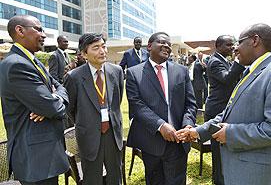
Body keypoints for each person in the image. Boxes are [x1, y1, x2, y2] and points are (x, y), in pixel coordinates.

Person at [177, 23, 271, 185]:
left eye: (239, 42)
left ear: (255, 40)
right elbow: (228, 112)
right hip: (243, 169)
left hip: (260, 174)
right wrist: (198, 131)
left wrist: (231, 133)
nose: (235, 48)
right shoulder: (251, 71)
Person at [0, 15, 69, 184]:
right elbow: (54, 109)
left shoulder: (31, 60)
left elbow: (61, 87)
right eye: (38, 29)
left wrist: (53, 97)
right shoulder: (17, 65)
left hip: (44, 156)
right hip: (36, 161)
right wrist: (50, 103)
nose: (43, 34)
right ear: (20, 30)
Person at [126, 32, 197, 185]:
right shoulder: (134, 73)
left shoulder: (181, 71)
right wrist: (160, 125)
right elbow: (136, 105)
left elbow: (190, 104)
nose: (167, 46)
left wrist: (187, 124)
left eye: (169, 44)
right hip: (151, 141)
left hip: (178, 140)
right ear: (149, 46)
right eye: (162, 42)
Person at [64, 33, 124, 185]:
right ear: (84, 54)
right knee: (92, 178)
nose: (102, 51)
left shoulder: (116, 71)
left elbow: (117, 100)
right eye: (96, 48)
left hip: (112, 134)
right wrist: (86, 122)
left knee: (115, 176)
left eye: (104, 46)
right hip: (89, 135)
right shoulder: (74, 77)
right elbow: (70, 109)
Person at [203, 35, 245, 185]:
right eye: (228, 45)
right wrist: (238, 61)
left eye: (233, 44)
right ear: (218, 46)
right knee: (218, 151)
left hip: (225, 108)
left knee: (224, 148)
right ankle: (219, 180)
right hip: (217, 109)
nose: (232, 47)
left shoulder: (224, 60)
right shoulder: (214, 62)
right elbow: (227, 78)